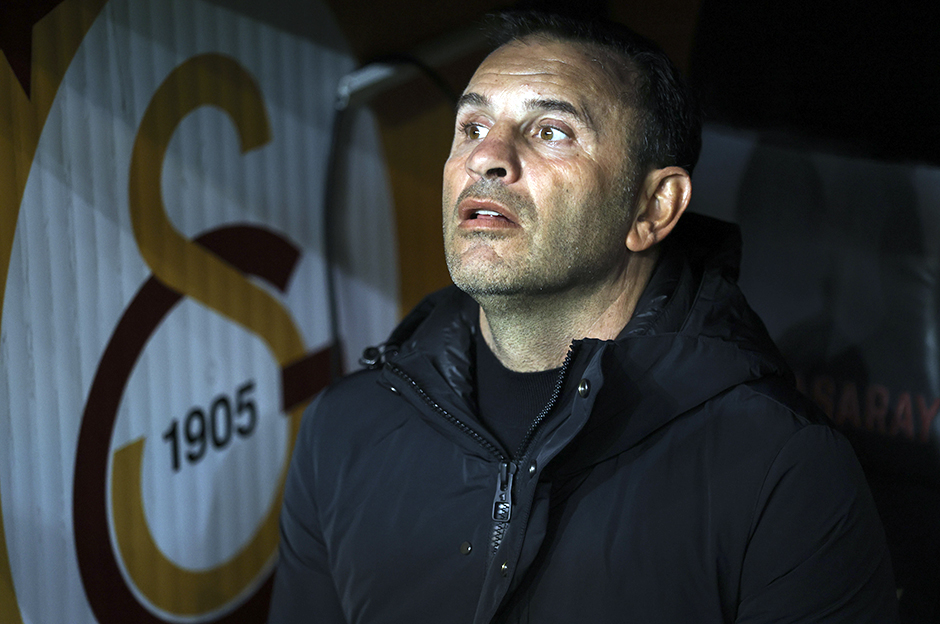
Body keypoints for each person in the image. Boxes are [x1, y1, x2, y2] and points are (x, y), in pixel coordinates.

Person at [268, 10, 898, 623]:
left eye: (551, 132)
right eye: (472, 126)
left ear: (653, 207)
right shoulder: (341, 431)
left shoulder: (780, 469)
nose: (487, 157)